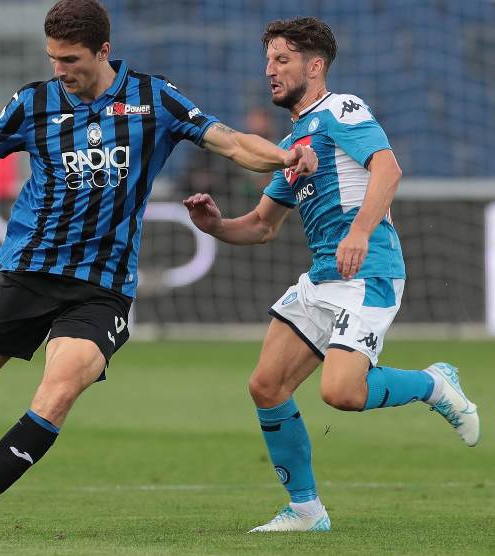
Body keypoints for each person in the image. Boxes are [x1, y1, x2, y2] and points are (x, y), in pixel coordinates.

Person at [0, 0, 317, 542]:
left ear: (104, 51)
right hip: (29, 273)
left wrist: (286, 157)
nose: (60, 70)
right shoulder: (32, 104)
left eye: (70, 59)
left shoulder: (154, 98)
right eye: (52, 58)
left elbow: (234, 142)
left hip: (101, 288)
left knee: (60, 386)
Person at [183, 16, 479, 533]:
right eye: (267, 60)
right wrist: (213, 225)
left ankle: (434, 384)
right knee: (266, 386)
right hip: (323, 279)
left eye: (282, 60)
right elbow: (259, 227)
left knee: (341, 392)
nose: (269, 71)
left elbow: (388, 169)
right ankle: (305, 510)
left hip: (368, 269)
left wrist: (360, 230)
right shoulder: (294, 145)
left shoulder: (340, 109)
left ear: (314, 66)